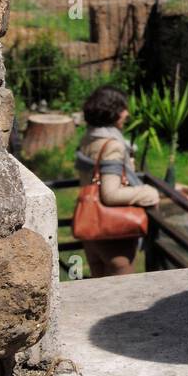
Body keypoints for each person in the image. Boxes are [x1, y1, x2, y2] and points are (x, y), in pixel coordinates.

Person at [75, 86, 160, 277]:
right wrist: (148, 192)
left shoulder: (89, 137)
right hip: (112, 233)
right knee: (123, 295)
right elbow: (111, 194)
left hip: (91, 228)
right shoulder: (112, 145)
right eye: (123, 108)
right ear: (112, 112)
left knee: (100, 292)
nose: (126, 113)